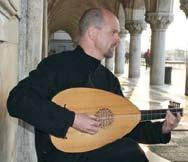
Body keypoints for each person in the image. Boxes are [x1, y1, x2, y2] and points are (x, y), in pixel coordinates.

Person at [7, 8, 181, 162]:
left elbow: (125, 123)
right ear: (92, 33)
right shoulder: (56, 66)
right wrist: (72, 119)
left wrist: (163, 128)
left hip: (98, 150)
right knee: (130, 153)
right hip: (63, 154)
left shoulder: (108, 79)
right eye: (113, 32)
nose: (118, 39)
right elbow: (17, 100)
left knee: (130, 151)